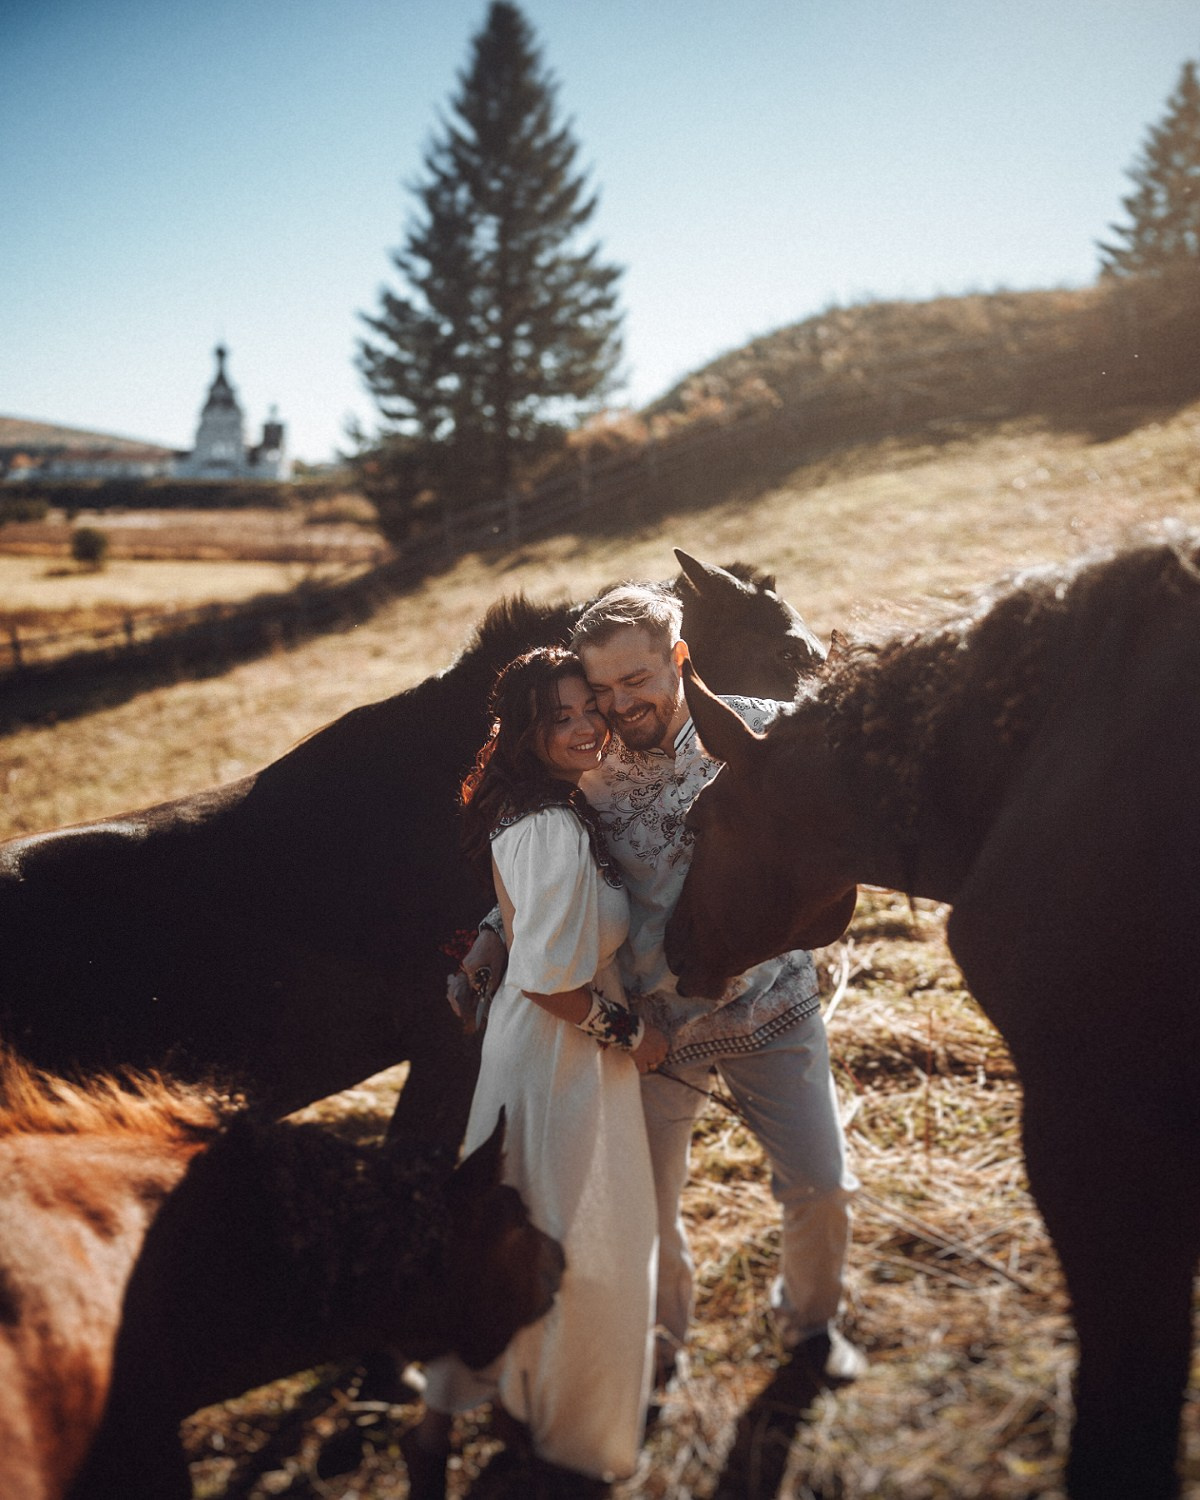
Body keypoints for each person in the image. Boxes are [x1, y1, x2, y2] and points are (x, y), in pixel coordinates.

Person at [465, 581, 862, 1392]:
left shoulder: (764, 733)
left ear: (680, 658)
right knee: (651, 1212)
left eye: (637, 681)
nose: (616, 706)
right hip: (652, 1036)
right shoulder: (590, 764)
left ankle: (813, 1324)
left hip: (772, 1008)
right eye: (601, 689)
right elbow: (556, 874)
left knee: (820, 1184)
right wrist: (493, 933)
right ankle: (662, 1346)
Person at [405, 647, 667, 1500]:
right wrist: (633, 1037)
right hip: (565, 1061)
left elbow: (515, 923)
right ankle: (560, 1436)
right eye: (561, 716)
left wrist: (479, 958)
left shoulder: (532, 808)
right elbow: (553, 982)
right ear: (527, 731)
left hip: (525, 1051)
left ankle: (451, 1422)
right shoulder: (554, 825)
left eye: (587, 706)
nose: (588, 724)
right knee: (581, 1247)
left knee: (504, 1235)